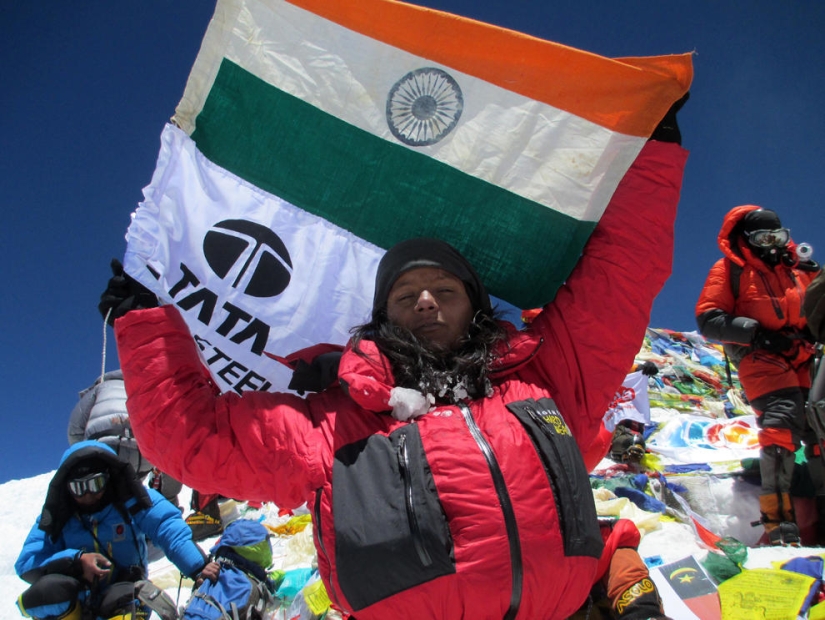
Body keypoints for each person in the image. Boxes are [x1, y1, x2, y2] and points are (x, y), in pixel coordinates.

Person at [99, 102, 688, 619]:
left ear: (476, 307)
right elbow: (188, 434)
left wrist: (653, 153)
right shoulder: (333, 425)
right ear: (383, 320)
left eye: (445, 291)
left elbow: (620, 277)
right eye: (406, 297)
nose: (426, 301)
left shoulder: (546, 379)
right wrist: (145, 323)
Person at [695, 205, 822, 546]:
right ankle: (778, 519)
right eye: (762, 237)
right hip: (761, 356)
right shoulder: (730, 270)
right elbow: (708, 318)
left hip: (802, 355)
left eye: (777, 236)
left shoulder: (799, 270)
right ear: (746, 240)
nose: (771, 244)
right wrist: (757, 334)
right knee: (781, 421)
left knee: (819, 425)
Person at [15, 440, 211, 620]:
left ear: (109, 478)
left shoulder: (134, 500)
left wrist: (198, 568)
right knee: (48, 592)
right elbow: (27, 563)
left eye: (96, 483)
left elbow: (167, 529)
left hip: (125, 595)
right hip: (78, 601)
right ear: (66, 489)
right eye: (79, 488)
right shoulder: (56, 516)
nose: (89, 494)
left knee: (125, 598)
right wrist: (76, 561)